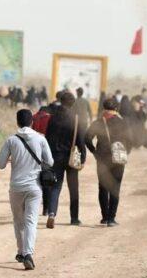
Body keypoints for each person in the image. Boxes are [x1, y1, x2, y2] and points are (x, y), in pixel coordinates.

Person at [0, 109, 54, 270]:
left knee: (18, 221)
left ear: (17, 122)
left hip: (16, 187)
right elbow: (49, 162)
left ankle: (21, 251)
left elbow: (0, 164)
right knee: (31, 221)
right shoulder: (41, 139)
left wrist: (11, 158)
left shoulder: (11, 140)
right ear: (32, 122)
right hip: (35, 186)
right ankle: (28, 253)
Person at [85, 98, 132, 226]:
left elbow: (87, 138)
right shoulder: (123, 123)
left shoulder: (98, 123)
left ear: (103, 108)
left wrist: (94, 151)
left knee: (103, 187)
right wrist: (125, 152)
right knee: (115, 188)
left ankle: (105, 217)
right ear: (116, 108)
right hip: (118, 158)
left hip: (102, 158)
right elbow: (130, 141)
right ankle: (111, 218)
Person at [45, 92, 86, 228]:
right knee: (73, 188)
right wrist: (83, 158)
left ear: (60, 101)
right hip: (71, 157)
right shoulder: (75, 118)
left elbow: (47, 137)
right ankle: (74, 218)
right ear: (72, 103)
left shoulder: (53, 117)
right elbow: (80, 140)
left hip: (56, 156)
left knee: (56, 186)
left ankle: (51, 213)